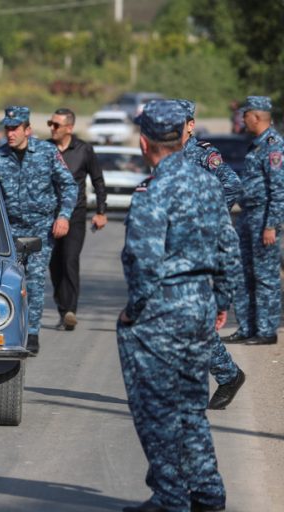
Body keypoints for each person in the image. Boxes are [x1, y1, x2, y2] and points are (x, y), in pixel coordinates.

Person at [117, 100, 236, 512]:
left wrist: (135, 309)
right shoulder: (207, 182)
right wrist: (221, 299)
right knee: (190, 407)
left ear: (144, 142)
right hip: (200, 306)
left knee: (157, 412)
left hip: (163, 312)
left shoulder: (154, 190)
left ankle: (171, 499)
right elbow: (228, 246)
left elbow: (143, 260)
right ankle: (207, 493)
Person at [0, 106, 77, 356]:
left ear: (28, 130)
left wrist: (64, 216)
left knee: (35, 281)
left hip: (40, 229)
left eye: (15, 128)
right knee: (7, 282)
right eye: (7, 128)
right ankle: (7, 329)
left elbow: (69, 186)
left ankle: (33, 332)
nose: (10, 133)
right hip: (8, 231)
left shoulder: (47, 153)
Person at [177, 99, 246, 410]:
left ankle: (227, 374)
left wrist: (209, 217)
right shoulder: (167, 156)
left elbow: (233, 185)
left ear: (190, 125)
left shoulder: (204, 155)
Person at [222, 96, 284, 346]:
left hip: (263, 218)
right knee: (243, 273)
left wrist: (271, 225)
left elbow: (279, 191)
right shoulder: (256, 144)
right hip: (247, 215)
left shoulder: (274, 146)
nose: (242, 119)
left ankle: (266, 330)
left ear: (256, 117)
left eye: (245, 115)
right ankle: (247, 327)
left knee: (265, 275)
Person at [46, 108, 107, 331]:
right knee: (54, 264)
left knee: (69, 259)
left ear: (69, 128)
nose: (51, 128)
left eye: (56, 125)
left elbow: (98, 181)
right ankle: (63, 310)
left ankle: (71, 310)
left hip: (76, 216)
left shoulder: (84, 150)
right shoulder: (45, 149)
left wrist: (101, 212)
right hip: (49, 217)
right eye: (49, 124)